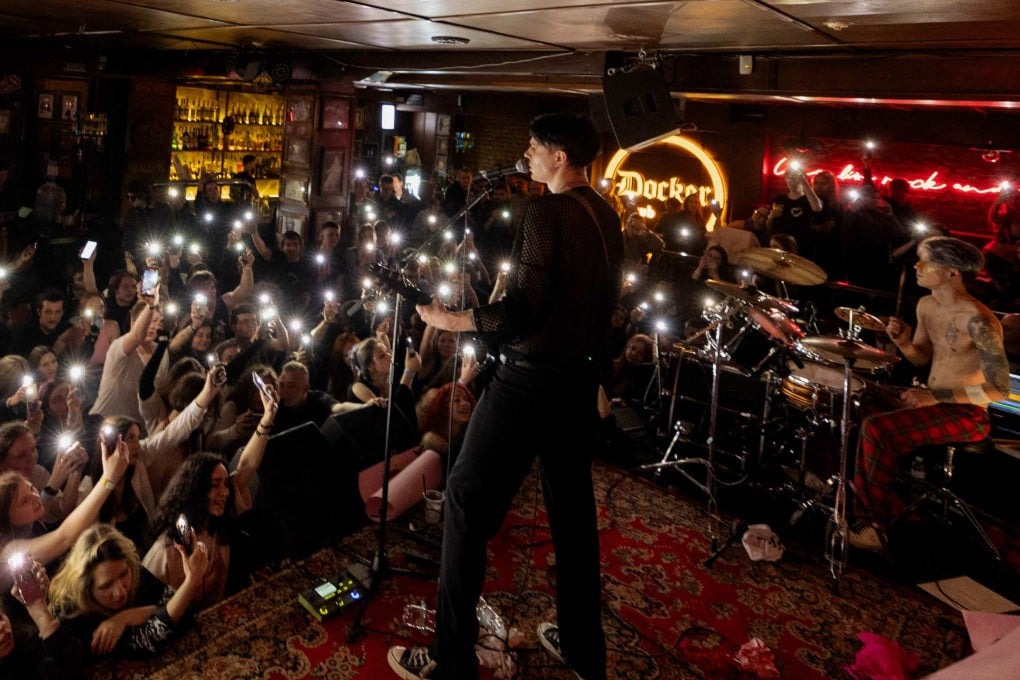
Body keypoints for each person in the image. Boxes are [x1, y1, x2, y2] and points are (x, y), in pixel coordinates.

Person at [388, 112, 621, 680]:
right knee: (571, 516)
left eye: (535, 146)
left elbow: (522, 310)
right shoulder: (605, 215)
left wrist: (452, 318)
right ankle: (583, 648)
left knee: (465, 498)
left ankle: (452, 660)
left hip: (528, 381)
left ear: (559, 157)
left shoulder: (548, 211)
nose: (528, 154)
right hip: (575, 381)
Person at [849, 236, 1010, 552]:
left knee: (878, 428)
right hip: (934, 400)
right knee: (861, 401)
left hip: (968, 414)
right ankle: (887, 505)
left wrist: (937, 396)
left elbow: (999, 388)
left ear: (952, 272)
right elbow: (921, 357)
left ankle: (874, 525)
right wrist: (904, 342)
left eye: (926, 261)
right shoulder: (926, 306)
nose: (917, 266)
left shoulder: (981, 320)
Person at [46, 522, 209, 660]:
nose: (120, 591)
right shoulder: (71, 612)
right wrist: (191, 581)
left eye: (123, 575)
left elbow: (186, 614)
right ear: (86, 587)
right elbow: (147, 643)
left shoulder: (134, 570)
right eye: (106, 586)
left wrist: (125, 617)